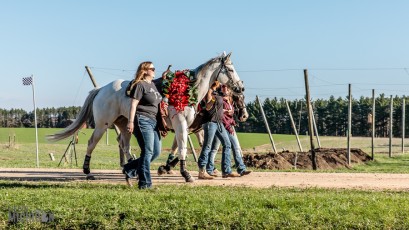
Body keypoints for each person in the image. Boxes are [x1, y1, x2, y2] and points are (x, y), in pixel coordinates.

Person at [122, 61, 163, 189]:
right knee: (148, 151)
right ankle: (145, 183)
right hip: (142, 119)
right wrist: (130, 121)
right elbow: (133, 104)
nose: (154, 70)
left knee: (156, 152)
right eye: (152, 68)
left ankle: (129, 168)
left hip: (154, 121)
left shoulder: (153, 85)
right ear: (145, 70)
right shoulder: (140, 85)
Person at [197, 81, 241, 179]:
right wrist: (212, 93)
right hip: (210, 122)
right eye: (216, 83)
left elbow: (227, 96)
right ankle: (202, 171)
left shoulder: (219, 94)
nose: (219, 84)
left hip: (219, 123)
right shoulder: (208, 91)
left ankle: (226, 171)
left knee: (227, 144)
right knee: (207, 146)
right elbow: (208, 107)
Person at [206, 85, 251, 177]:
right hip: (220, 124)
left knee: (235, 147)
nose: (225, 89)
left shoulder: (231, 100)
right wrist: (225, 111)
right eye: (223, 87)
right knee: (216, 148)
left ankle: (241, 169)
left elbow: (236, 108)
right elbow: (214, 110)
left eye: (227, 87)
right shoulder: (219, 97)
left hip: (229, 125)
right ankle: (213, 169)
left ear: (230, 90)